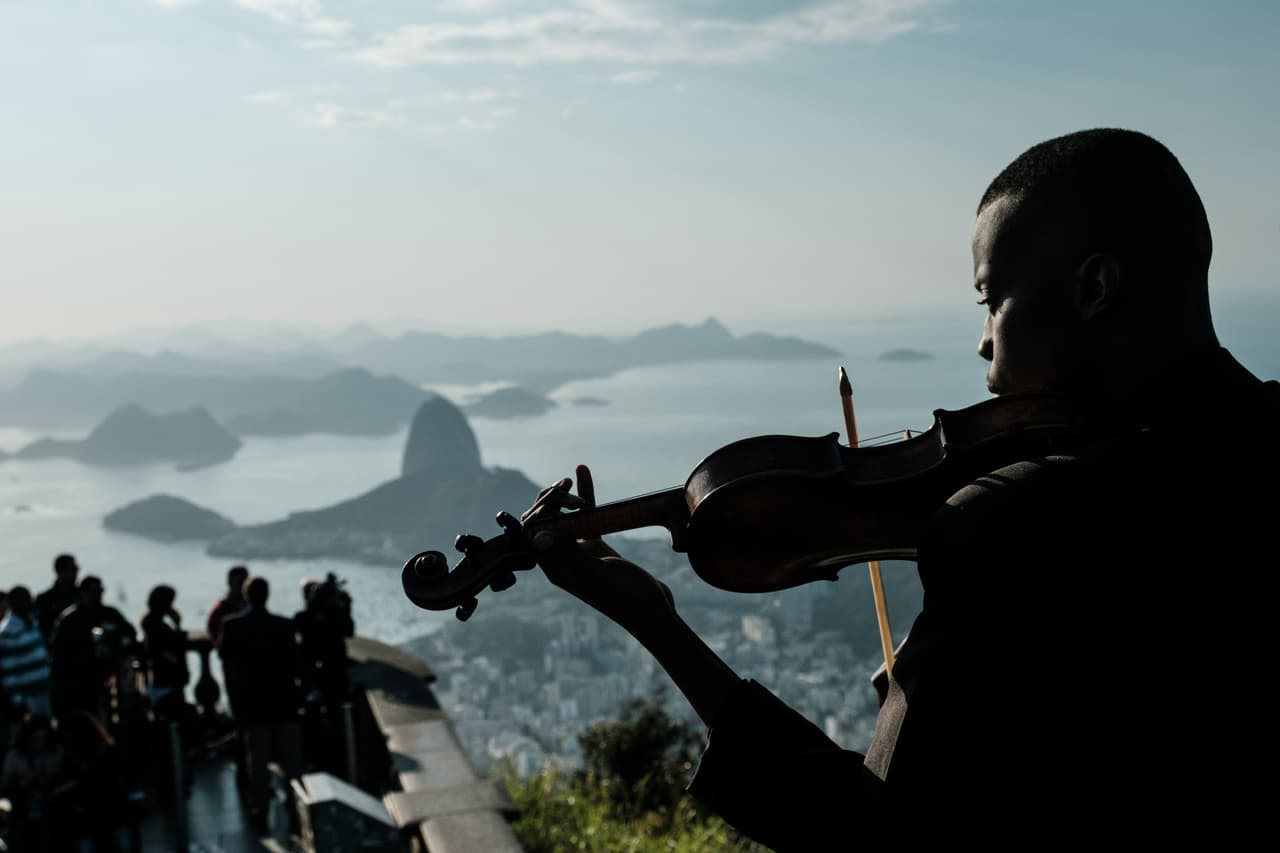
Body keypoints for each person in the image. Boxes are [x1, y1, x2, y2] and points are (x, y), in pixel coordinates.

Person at [520, 129, 1280, 851]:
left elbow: (872, 834)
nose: (984, 340)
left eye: (991, 299)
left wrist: (658, 624)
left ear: (1094, 287)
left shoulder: (1019, 522)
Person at [217, 575, 304, 830]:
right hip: (284, 702)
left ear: (246, 596)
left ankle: (260, 814)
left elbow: (225, 658)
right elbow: (296, 663)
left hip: (251, 704)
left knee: (258, 763)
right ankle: (297, 816)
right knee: (292, 764)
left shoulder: (232, 626)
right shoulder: (284, 625)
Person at [48, 576, 139, 725]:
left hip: (105, 680)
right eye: (92, 592)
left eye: (99, 591)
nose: (96, 596)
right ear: (82, 593)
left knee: (106, 718)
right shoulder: (70, 619)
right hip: (78, 683)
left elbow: (129, 634)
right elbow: (58, 653)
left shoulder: (110, 614)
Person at [0, 585, 53, 719]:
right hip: (27, 697)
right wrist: (17, 700)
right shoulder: (8, 632)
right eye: (23, 600)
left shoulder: (32, 622)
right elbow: (7, 671)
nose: (28, 603)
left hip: (43, 690)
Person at [139, 585, 190, 723]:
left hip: (158, 685)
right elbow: (174, 651)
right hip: (165, 685)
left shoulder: (150, 624)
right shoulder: (160, 628)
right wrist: (178, 627)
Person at [35, 554, 81, 645]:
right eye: (72, 569)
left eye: (76, 569)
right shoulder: (44, 599)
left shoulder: (83, 596)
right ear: (59, 571)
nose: (76, 572)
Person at [205, 564, 249, 648]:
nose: (243, 587)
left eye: (245, 583)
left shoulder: (251, 607)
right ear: (230, 583)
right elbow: (215, 636)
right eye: (240, 583)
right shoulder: (220, 610)